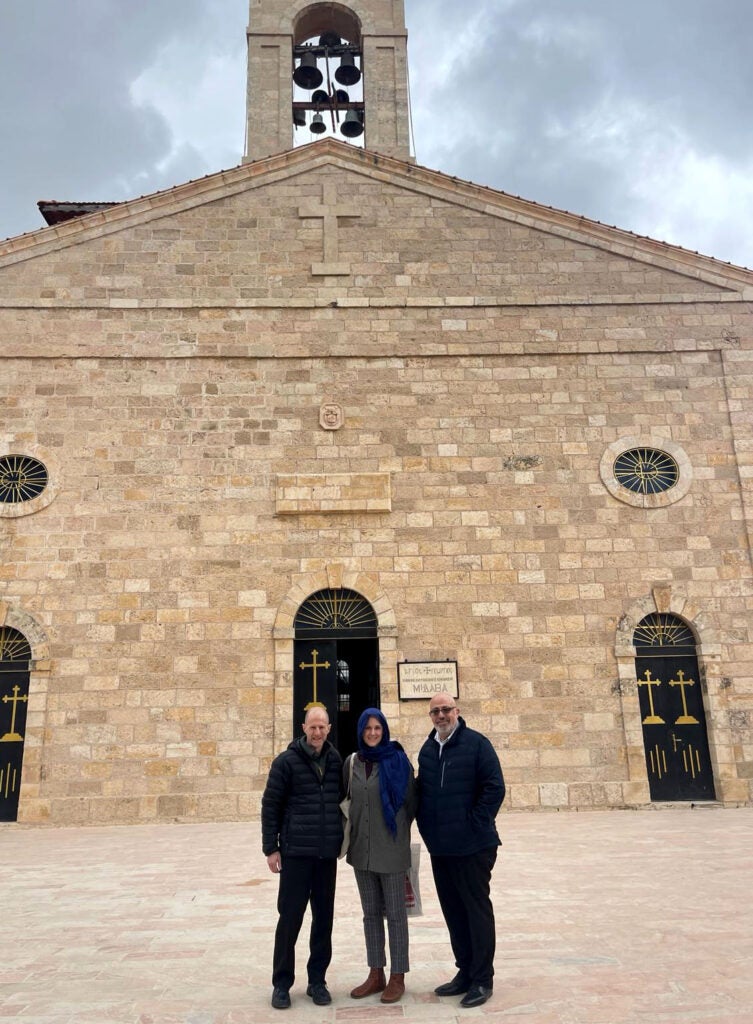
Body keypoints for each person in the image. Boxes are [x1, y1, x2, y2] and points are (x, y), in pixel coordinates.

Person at [416, 692, 505, 1009]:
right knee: (454, 912)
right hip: (442, 849)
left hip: (473, 847)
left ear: (457, 711)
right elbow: (423, 796)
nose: (440, 716)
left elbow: (495, 787)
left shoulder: (477, 744)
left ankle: (482, 979)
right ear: (430, 716)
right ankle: (465, 972)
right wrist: (428, 831)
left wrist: (473, 825)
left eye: (445, 710)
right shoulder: (427, 751)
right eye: (435, 712)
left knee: (476, 911)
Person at [261, 705, 343, 1010]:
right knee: (290, 919)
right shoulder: (285, 762)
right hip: (296, 854)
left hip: (325, 856)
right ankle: (281, 984)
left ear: (329, 729)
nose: (317, 733)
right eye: (313, 727)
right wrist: (271, 848)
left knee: (323, 921)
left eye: (322, 727)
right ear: (303, 728)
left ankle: (317, 981)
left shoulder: (335, 761)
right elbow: (271, 806)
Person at [344, 707, 416, 1004]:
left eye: (377, 728)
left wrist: (396, 833)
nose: (372, 733)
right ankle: (376, 973)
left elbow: (411, 804)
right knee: (370, 915)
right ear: (361, 732)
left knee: (397, 916)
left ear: (384, 730)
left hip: (392, 850)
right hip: (362, 851)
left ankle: (398, 976)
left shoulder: (398, 761)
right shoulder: (353, 763)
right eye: (367, 729)